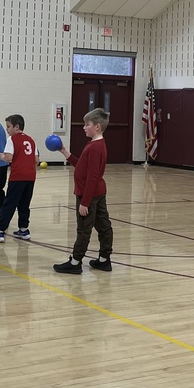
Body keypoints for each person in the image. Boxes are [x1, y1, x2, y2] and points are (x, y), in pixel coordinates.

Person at [53, 107, 113, 274]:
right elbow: (82, 167)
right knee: (103, 225)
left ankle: (75, 262)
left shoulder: (95, 147)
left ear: (97, 127)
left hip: (90, 194)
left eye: (87, 124)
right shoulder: (96, 144)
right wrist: (65, 152)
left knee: (84, 229)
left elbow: (92, 177)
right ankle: (104, 259)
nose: (84, 127)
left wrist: (85, 202)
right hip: (98, 191)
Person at [0, 114, 38, 243]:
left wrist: (0, 156)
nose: (7, 130)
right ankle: (24, 229)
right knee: (24, 204)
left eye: (8, 127)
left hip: (18, 176)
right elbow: (36, 160)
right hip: (31, 177)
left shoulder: (12, 139)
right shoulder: (31, 140)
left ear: (17, 127)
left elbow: (9, 157)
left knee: (9, 204)